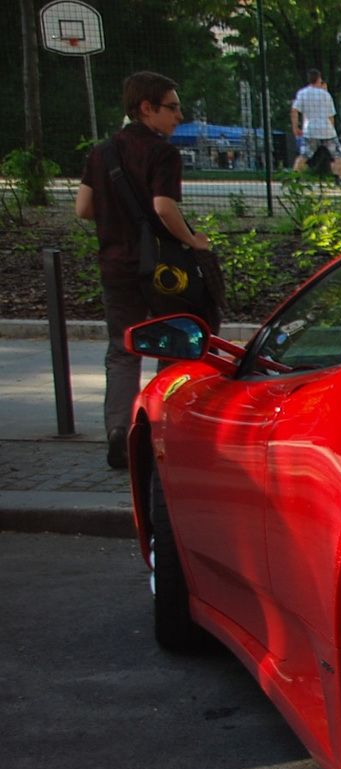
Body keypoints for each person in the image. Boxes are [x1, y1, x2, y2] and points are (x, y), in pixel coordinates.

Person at [75, 71, 215, 470]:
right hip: (162, 270)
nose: (179, 115)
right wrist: (192, 240)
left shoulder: (102, 153)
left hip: (115, 265)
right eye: (172, 107)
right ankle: (159, 432)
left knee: (122, 350)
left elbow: (83, 209)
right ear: (146, 108)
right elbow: (163, 207)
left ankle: (119, 431)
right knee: (169, 346)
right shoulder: (162, 153)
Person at [289, 69, 341, 180]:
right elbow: (331, 115)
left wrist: (295, 126)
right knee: (336, 155)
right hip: (327, 130)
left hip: (310, 129)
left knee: (304, 155)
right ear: (319, 79)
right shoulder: (326, 95)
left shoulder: (302, 93)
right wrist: (333, 128)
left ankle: (295, 178)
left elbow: (294, 110)